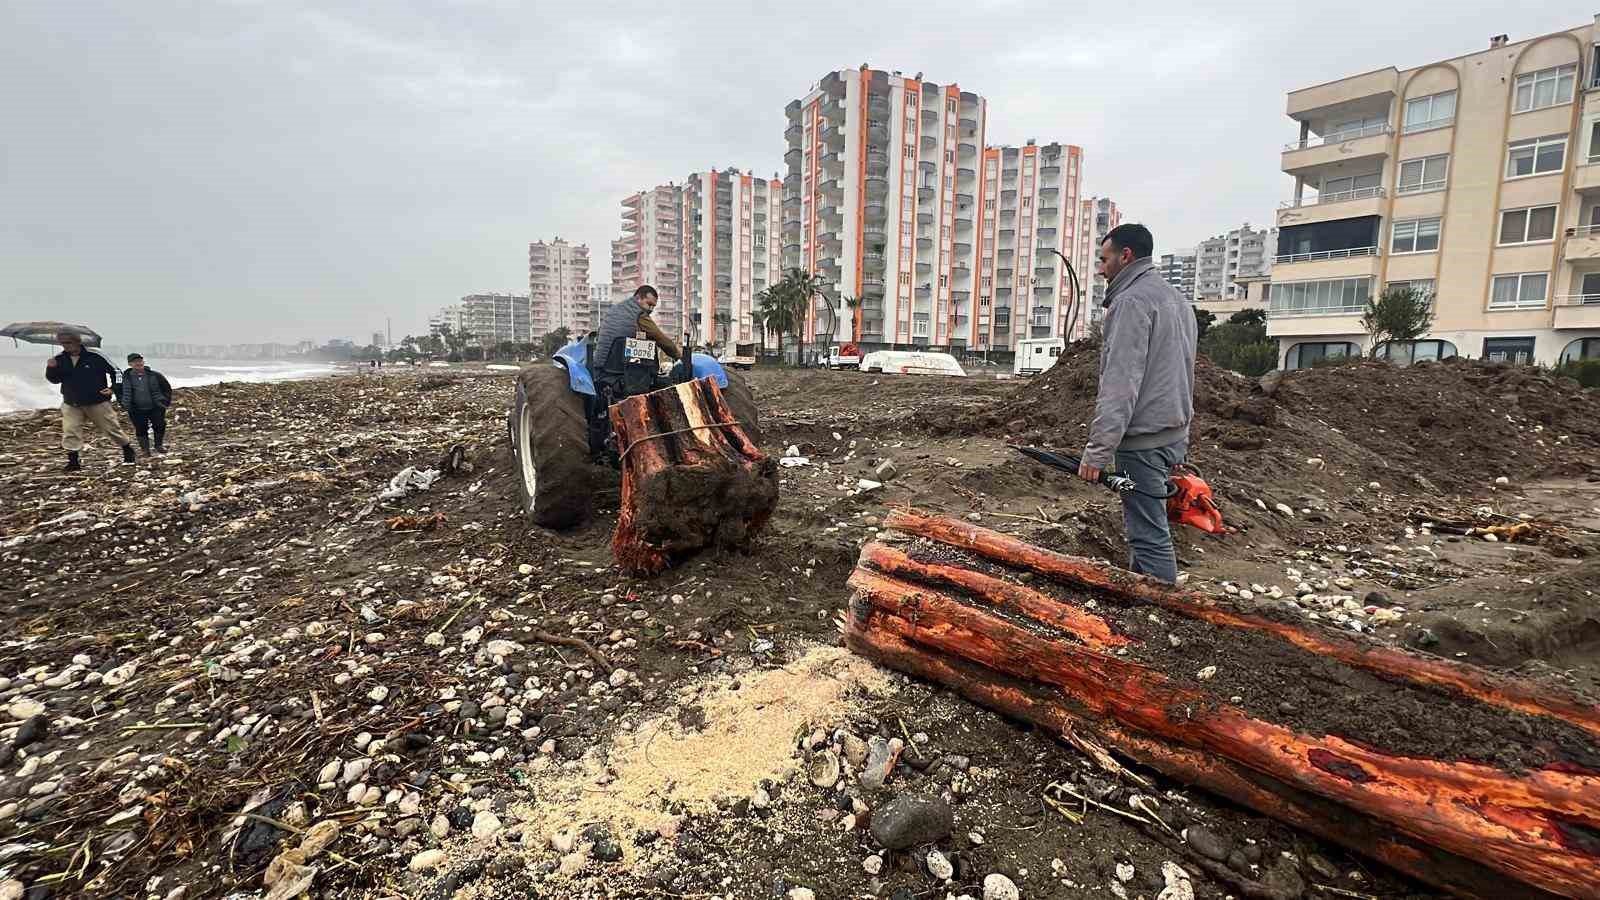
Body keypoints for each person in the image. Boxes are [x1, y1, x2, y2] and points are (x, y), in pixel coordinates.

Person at [1077, 223, 1197, 583]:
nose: (1101, 269)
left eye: (1105, 259)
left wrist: (1097, 453)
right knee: (1145, 525)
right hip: (1172, 433)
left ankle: (1162, 615)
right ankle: (1139, 599)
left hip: (1142, 441)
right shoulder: (1176, 299)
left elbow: (1120, 384)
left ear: (1125, 256)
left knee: (1148, 534)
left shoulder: (1130, 303)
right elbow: (1186, 370)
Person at [44, 332, 136, 471]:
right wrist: (51, 367)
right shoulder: (59, 359)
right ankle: (73, 462)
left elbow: (116, 372)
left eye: (68, 342)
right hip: (71, 402)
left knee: (111, 429)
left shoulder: (95, 355)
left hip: (97, 401)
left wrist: (113, 388)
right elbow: (54, 379)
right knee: (70, 430)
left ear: (77, 341)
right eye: (62, 343)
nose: (65, 346)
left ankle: (127, 448)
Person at [594, 284, 684, 373]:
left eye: (653, 306)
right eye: (649, 304)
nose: (651, 309)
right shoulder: (639, 314)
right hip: (618, 371)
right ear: (638, 298)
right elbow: (661, 339)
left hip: (599, 366)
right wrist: (680, 357)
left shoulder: (613, 310)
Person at [120, 353, 173, 455]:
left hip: (156, 406)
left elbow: (167, 388)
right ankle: (145, 450)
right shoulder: (125, 377)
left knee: (159, 425)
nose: (138, 363)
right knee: (140, 428)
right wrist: (124, 403)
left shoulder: (155, 375)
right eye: (135, 362)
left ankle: (159, 445)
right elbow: (118, 390)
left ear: (143, 362)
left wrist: (165, 402)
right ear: (130, 364)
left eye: (140, 361)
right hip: (136, 409)